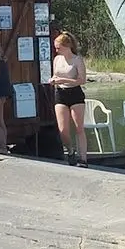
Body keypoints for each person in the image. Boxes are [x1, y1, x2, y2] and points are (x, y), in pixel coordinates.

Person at [48, 32, 88, 166]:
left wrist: (64, 80)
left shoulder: (77, 60)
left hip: (75, 93)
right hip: (60, 93)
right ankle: (70, 151)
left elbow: (82, 80)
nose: (56, 50)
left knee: (79, 128)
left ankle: (83, 158)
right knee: (63, 129)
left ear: (67, 46)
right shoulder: (57, 59)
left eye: (58, 48)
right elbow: (55, 75)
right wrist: (54, 80)